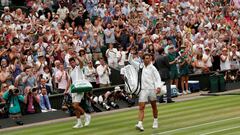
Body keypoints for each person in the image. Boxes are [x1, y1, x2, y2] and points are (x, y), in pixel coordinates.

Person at [129, 50, 164, 131]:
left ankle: (155, 121)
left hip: (152, 89)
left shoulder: (153, 68)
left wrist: (158, 87)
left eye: (149, 58)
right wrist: (131, 53)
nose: (148, 60)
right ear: (143, 59)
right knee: (141, 107)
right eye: (146, 58)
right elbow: (130, 61)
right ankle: (140, 123)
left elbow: (158, 78)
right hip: (143, 90)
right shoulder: (140, 66)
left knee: (154, 106)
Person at [66, 55, 91, 129]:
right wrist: (67, 90)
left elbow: (82, 63)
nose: (72, 63)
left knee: (75, 105)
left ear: (75, 62)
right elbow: (70, 81)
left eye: (73, 62)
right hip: (73, 90)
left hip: (80, 88)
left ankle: (87, 116)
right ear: (69, 63)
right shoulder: (70, 71)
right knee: (75, 107)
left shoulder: (78, 68)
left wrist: (77, 57)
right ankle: (79, 122)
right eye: (71, 63)